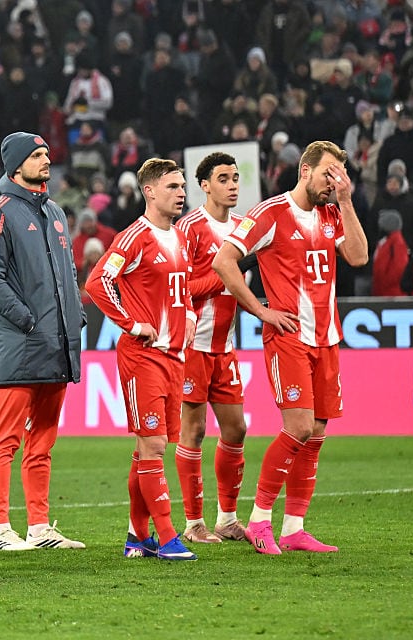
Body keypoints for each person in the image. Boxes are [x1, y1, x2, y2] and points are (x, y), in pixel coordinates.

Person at [213, 140, 368, 555]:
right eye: (327, 174)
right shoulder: (270, 213)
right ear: (304, 171)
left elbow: (358, 256)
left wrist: (347, 202)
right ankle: (261, 521)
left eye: (339, 176)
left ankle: (295, 528)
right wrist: (261, 312)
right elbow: (224, 261)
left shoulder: (333, 213)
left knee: (316, 432)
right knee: (298, 426)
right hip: (289, 338)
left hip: (327, 337)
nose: (332, 183)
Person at [85, 158, 198, 561]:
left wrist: (192, 315)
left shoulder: (181, 237)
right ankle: (167, 538)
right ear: (149, 191)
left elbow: (181, 290)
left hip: (174, 357)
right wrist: (132, 324)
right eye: (172, 186)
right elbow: (98, 282)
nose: (181, 192)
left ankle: (137, 535)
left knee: (150, 449)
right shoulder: (134, 237)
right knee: (151, 445)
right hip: (143, 356)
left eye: (183, 186)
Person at [0, 132, 85, 552]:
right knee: (5, 440)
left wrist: (71, 318)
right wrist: (26, 319)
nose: (46, 160)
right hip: (21, 344)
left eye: (46, 153)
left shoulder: (55, 211)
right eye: (36, 155)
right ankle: (0, 530)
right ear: (16, 165)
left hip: (55, 343)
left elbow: (67, 274)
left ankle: (39, 527)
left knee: (42, 441)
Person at [173, 153, 249, 545]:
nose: (232, 184)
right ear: (205, 185)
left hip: (226, 347)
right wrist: (224, 278)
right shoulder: (188, 228)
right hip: (193, 347)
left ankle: (228, 518)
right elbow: (180, 287)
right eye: (223, 178)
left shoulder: (242, 227)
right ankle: (192, 523)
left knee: (236, 428)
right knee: (195, 429)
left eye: (235, 177)